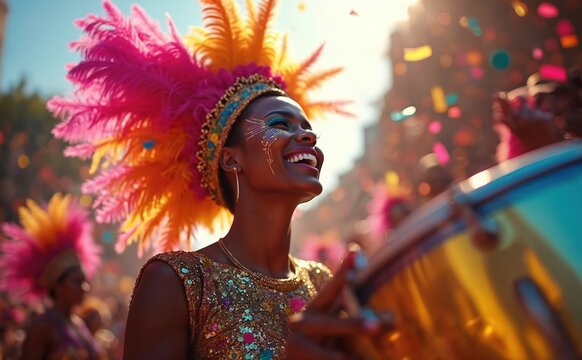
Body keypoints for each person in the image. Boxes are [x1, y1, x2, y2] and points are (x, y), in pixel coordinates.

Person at [49, 1, 389, 358]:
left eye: (307, 127)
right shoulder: (176, 282)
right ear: (231, 158)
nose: (307, 137)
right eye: (279, 124)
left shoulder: (322, 283)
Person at [0, 194, 102, 359]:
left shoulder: (78, 324)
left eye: (85, 281)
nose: (85, 288)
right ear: (58, 286)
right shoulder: (43, 326)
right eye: (77, 282)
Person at [493, 71, 582, 161]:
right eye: (535, 102)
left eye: (541, 99)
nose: (538, 106)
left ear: (565, 98)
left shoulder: (574, 122)